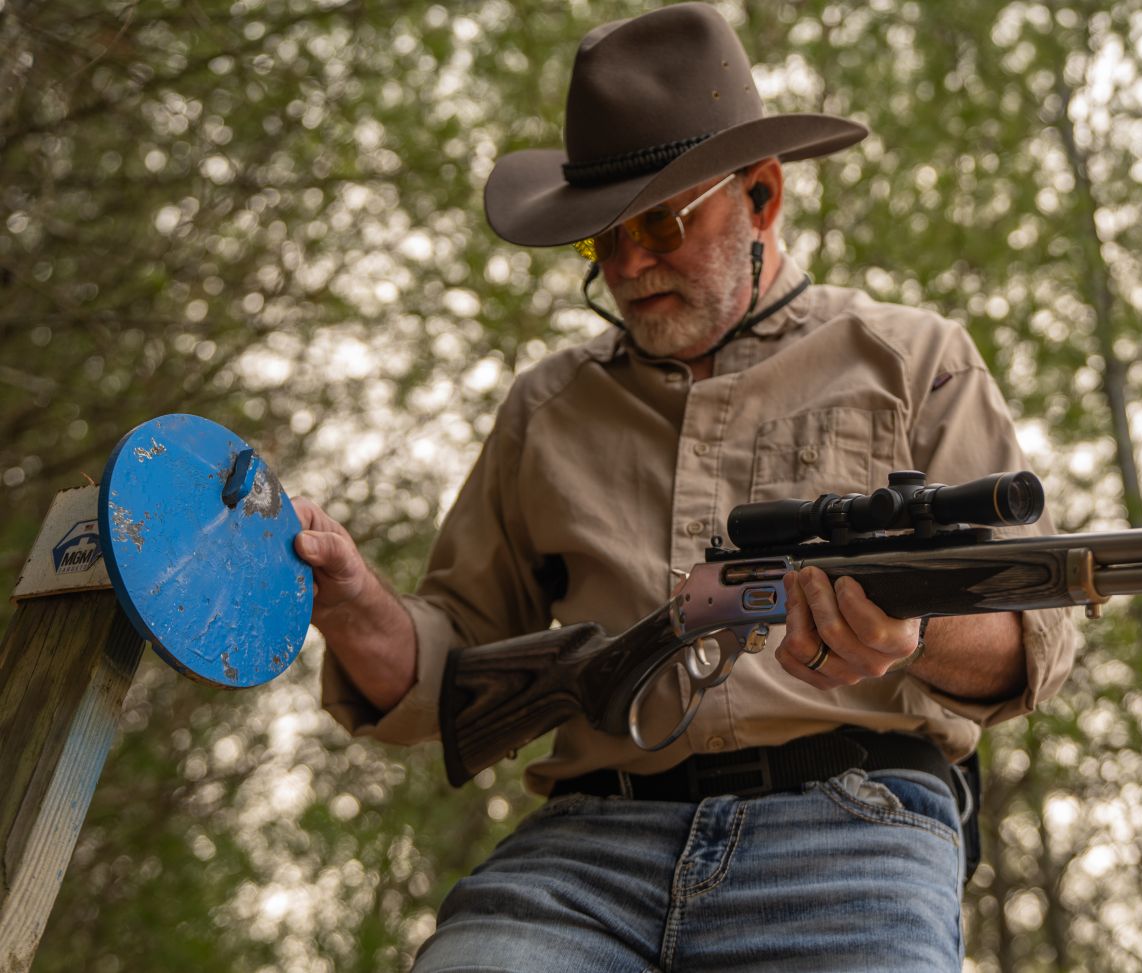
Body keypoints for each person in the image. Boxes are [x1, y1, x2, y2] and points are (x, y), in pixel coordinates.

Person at [294, 5, 1075, 971]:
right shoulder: (545, 405)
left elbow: (1028, 640)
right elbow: (453, 669)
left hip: (855, 825)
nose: (627, 265)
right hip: (583, 852)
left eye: (662, 221)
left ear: (762, 196)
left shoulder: (914, 356)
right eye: (598, 239)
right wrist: (352, 597)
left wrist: (907, 630)